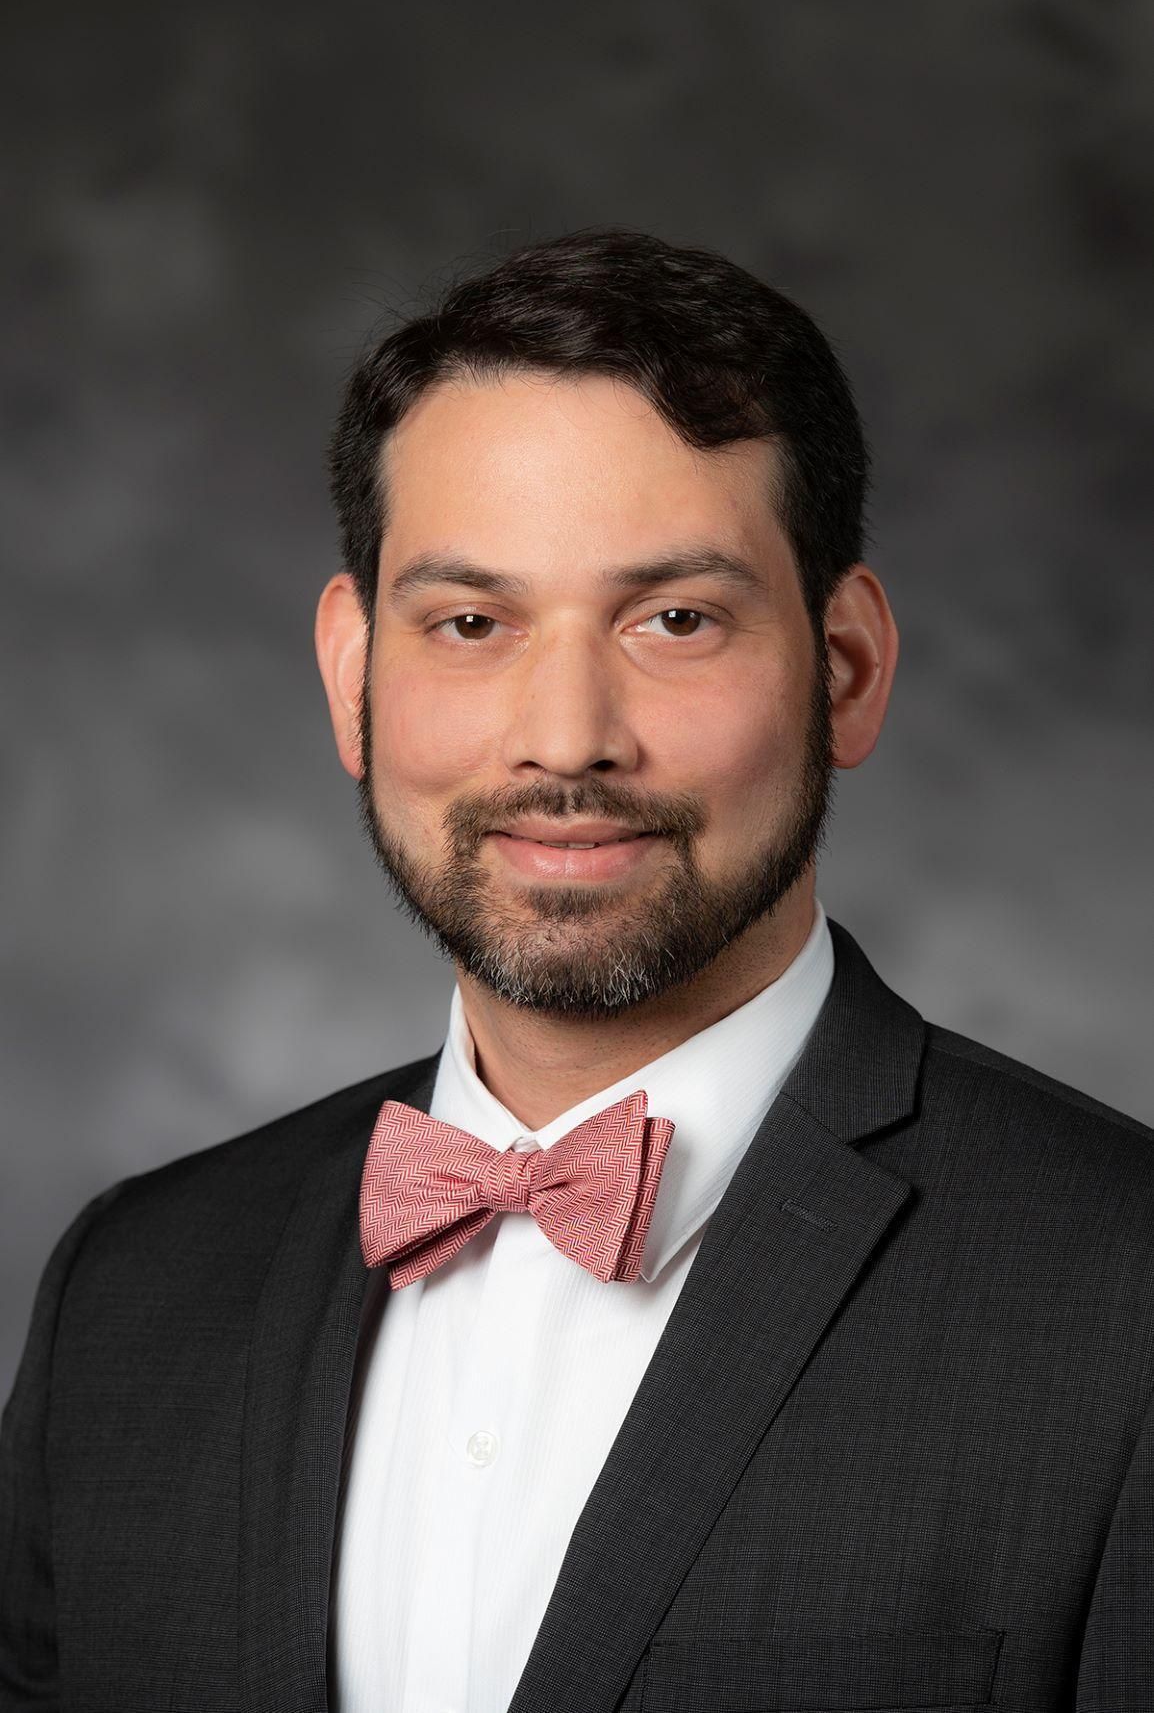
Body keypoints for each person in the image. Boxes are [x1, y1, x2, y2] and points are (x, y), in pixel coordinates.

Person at [1, 227, 1151, 1713]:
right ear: (354, 678)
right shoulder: (129, 1293)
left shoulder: (1122, 1302)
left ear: (847, 669)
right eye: (471, 623)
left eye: (674, 620)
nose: (564, 739)